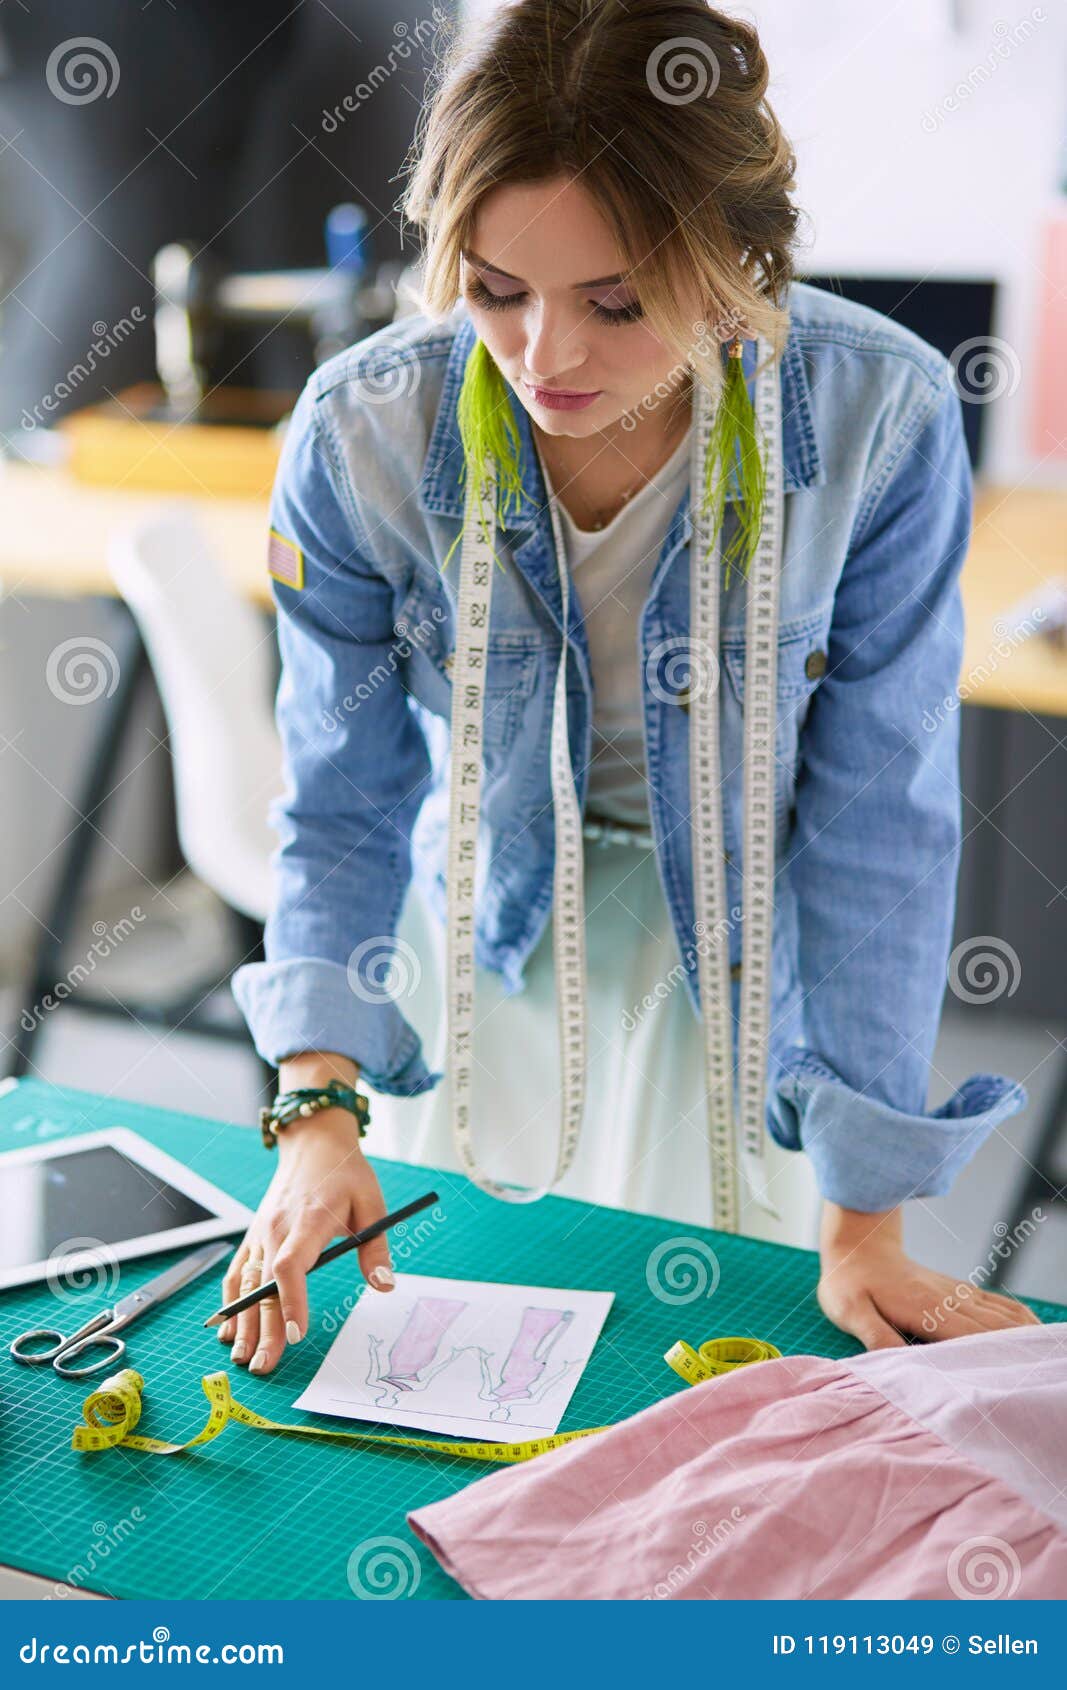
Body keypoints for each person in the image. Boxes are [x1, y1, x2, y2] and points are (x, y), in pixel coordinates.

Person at [226, 0, 1040, 1376]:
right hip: (474, 935)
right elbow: (341, 798)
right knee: (443, 1376)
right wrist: (315, 1115)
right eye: (495, 290)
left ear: (739, 260)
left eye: (614, 302)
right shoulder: (363, 431)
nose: (546, 358)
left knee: (704, 1398)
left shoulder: (877, 423)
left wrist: (867, 1223)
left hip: (735, 966)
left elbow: (878, 829)